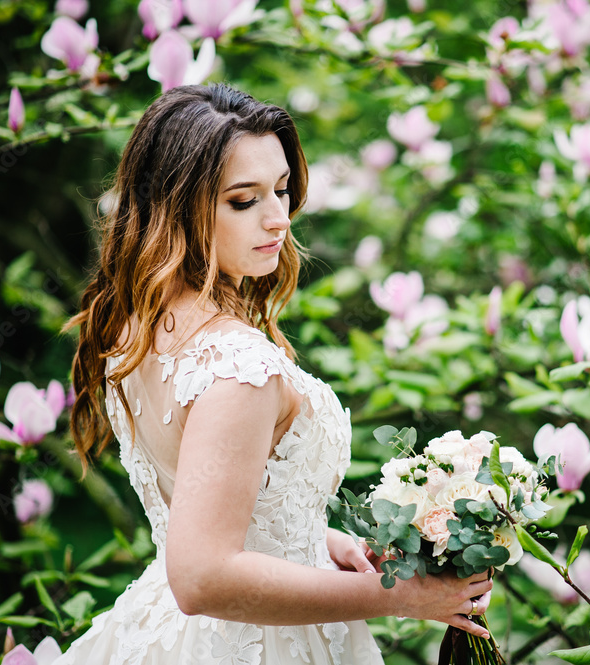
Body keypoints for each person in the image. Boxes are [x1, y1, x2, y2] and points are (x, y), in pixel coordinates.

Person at [56, 83, 492, 664]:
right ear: (177, 204)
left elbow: (216, 510)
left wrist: (321, 542)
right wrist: (398, 597)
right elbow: (203, 577)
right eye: (243, 201)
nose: (278, 220)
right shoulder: (239, 368)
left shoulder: (137, 326)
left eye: (282, 191)